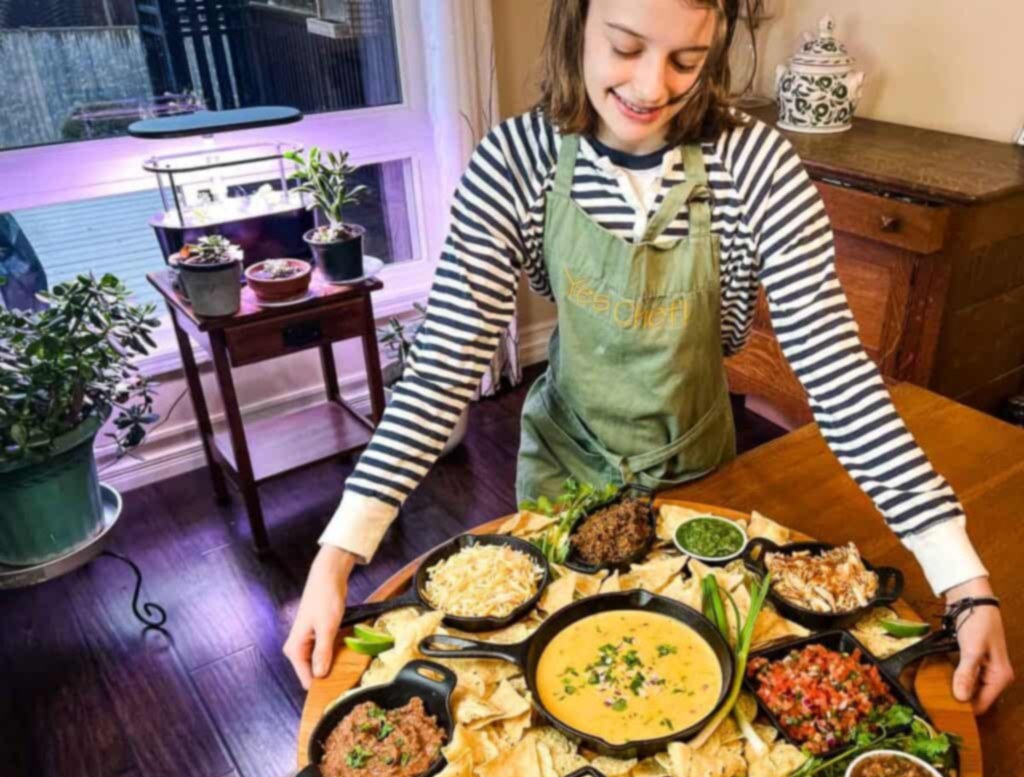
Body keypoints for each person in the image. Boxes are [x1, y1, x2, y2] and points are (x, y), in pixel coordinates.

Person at [284, 0, 1012, 714]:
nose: (653, 87)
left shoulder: (756, 166)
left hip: (700, 469)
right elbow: (443, 366)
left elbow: (841, 379)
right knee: (569, 680)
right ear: (576, 23)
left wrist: (962, 578)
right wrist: (338, 555)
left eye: (687, 60)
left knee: (684, 678)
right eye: (625, 48)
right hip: (565, 465)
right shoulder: (516, 161)